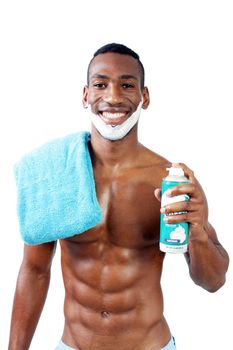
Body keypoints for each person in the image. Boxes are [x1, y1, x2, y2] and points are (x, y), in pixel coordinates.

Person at [8, 43, 229, 350]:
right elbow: (34, 270)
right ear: (86, 96)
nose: (112, 97)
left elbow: (214, 281)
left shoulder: (171, 181)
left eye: (127, 85)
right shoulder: (55, 174)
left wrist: (199, 234)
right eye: (100, 84)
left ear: (145, 97)